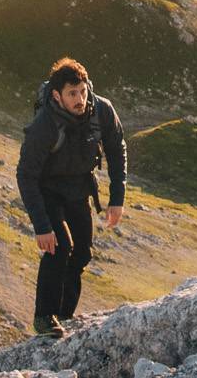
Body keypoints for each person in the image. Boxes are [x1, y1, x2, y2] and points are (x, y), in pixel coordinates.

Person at [15, 57, 126, 338]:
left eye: (82, 91)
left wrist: (117, 198)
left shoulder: (102, 111)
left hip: (79, 188)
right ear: (57, 95)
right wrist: (42, 226)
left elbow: (116, 149)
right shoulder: (45, 125)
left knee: (82, 253)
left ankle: (64, 315)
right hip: (48, 189)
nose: (79, 99)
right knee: (59, 247)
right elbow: (26, 175)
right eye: (71, 94)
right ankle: (44, 317)